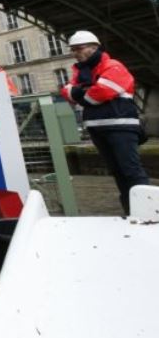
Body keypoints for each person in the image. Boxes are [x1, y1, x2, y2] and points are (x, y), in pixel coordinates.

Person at [60, 30, 149, 215]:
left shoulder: (113, 66)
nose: (75, 53)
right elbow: (66, 92)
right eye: (73, 50)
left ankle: (148, 210)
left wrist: (80, 93)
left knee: (130, 170)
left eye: (79, 48)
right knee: (117, 171)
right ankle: (131, 211)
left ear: (94, 47)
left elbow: (99, 94)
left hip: (121, 126)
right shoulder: (81, 71)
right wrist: (83, 92)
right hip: (97, 127)